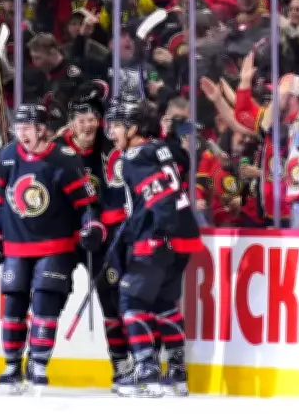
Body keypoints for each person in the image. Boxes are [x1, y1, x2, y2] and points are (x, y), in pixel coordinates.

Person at [0, 103, 99, 395]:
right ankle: (12, 365)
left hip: (55, 246)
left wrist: (91, 227)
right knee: (13, 306)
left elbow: (84, 205)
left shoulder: (64, 160)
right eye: (19, 127)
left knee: (45, 304)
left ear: (41, 129)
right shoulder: (8, 157)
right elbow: (0, 204)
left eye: (28, 128)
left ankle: (38, 364)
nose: (22, 133)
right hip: (16, 245)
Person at [105, 99, 202, 398]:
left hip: (160, 236)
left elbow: (158, 197)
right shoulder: (159, 147)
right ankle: (177, 371)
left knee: (131, 298)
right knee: (164, 303)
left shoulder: (134, 156)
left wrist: (157, 233)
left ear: (134, 128)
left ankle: (146, 369)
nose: (112, 132)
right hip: (183, 235)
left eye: (118, 126)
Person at [54, 85, 131, 391]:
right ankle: (34, 360)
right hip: (67, 235)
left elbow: (105, 95)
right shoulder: (58, 148)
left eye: (92, 119)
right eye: (81, 119)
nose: (87, 125)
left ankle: (122, 363)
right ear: (70, 122)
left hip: (104, 235)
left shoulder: (107, 144)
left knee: (111, 300)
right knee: (48, 293)